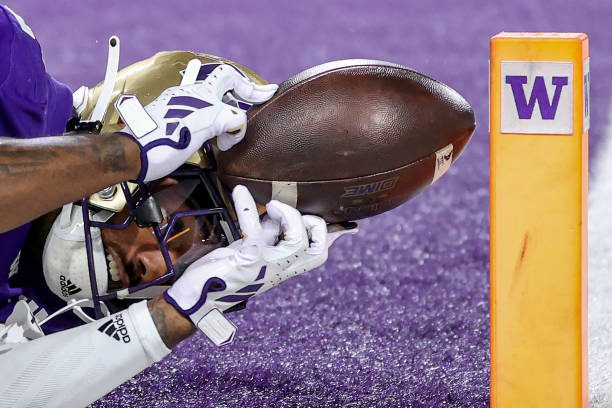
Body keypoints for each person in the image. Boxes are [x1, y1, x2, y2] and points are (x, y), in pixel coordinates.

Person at [0, 6, 355, 407]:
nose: (154, 267)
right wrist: (123, 154)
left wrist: (171, 317)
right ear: (129, 123)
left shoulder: (52, 313)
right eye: (173, 222)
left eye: (196, 257)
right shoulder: (10, 74)